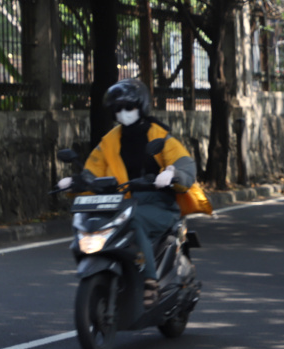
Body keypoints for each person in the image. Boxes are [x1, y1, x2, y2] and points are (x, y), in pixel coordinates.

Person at [59, 78, 197, 307]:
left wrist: (172, 174)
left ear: (141, 107)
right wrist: (75, 182)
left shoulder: (160, 136)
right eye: (118, 109)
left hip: (159, 205)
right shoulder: (110, 141)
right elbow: (92, 172)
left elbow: (185, 164)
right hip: (122, 204)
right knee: (93, 221)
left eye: (129, 107)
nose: (123, 113)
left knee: (134, 220)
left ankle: (151, 281)